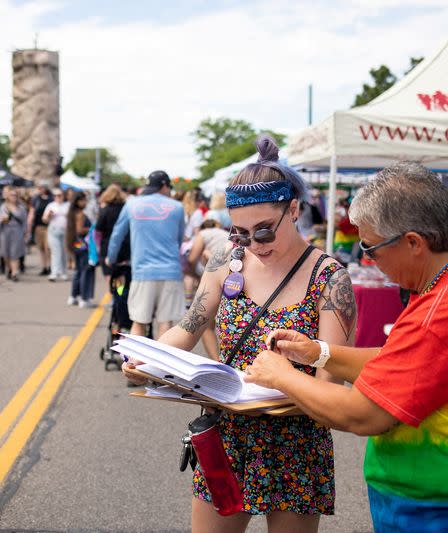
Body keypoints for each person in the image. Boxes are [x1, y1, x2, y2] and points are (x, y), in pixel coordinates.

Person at [245, 162, 448, 533]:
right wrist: (318, 353)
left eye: (370, 247)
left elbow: (363, 414)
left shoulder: (444, 308)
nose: (368, 259)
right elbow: (402, 363)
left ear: (413, 242)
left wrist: (282, 376)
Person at [123, 137, 356, 533]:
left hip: (296, 444)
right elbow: (189, 326)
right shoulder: (225, 260)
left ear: (294, 209)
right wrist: (151, 360)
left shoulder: (329, 278)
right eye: (241, 233)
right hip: (227, 434)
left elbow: (330, 382)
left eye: (264, 231)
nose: (253, 245)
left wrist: (286, 381)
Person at [107, 170, 185, 339]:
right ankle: (162, 364)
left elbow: (116, 235)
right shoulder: (177, 207)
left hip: (142, 271)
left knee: (139, 322)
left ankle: (137, 363)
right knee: (165, 324)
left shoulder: (132, 204)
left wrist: (111, 258)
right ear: (164, 186)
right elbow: (179, 241)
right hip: (171, 271)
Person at [185, 218, 229, 359]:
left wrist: (195, 274)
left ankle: (216, 361)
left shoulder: (202, 234)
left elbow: (192, 259)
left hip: (218, 275)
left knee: (206, 324)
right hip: (236, 275)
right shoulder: (224, 233)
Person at [96, 184, 131, 329]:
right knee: (123, 277)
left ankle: (115, 297)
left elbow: (98, 231)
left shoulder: (105, 211)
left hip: (107, 248)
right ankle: (120, 296)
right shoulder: (126, 209)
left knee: (111, 276)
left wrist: (98, 248)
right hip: (125, 247)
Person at [66, 191, 96, 307]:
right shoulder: (80, 214)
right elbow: (79, 230)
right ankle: (84, 298)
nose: (86, 202)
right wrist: (92, 228)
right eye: (84, 200)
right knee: (86, 271)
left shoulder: (72, 213)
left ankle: (73, 296)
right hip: (83, 245)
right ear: (78, 201)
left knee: (78, 271)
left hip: (76, 244)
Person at [0, 186, 29, 281]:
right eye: (11, 195)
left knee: (15, 252)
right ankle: (9, 269)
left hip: (17, 231)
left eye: (15, 195)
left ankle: (15, 273)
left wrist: (26, 232)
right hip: (5, 231)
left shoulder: (21, 207)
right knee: (6, 253)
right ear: (8, 196)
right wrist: (2, 220)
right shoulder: (3, 206)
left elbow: (24, 221)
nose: (13, 197)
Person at [42, 188, 69, 281]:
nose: (58, 197)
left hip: (65, 231)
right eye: (56, 195)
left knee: (64, 252)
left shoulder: (67, 205)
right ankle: (54, 272)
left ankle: (63, 272)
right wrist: (49, 216)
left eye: (59, 195)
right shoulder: (51, 206)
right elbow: (44, 219)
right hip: (53, 230)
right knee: (55, 251)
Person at [30, 185, 52, 276]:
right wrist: (30, 224)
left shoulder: (51, 199)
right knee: (41, 248)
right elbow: (32, 212)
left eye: (42, 187)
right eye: (39, 188)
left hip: (49, 226)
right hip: (38, 226)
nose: (40, 189)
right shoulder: (35, 199)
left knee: (48, 248)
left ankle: (50, 266)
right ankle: (44, 267)